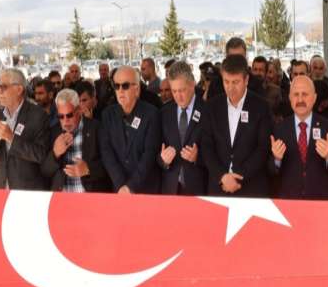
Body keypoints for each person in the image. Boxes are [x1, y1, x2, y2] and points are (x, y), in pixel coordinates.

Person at [201, 54, 272, 197]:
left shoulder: (261, 107)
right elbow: (207, 146)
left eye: (235, 82)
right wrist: (222, 176)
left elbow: (263, 148)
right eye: (226, 82)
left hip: (251, 188)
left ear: (246, 80)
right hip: (219, 187)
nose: (230, 88)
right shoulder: (212, 107)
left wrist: (237, 176)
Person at [269, 75, 328, 200]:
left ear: (314, 98)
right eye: (296, 94)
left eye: (305, 94)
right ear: (289, 98)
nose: (300, 99)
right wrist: (276, 159)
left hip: (319, 201)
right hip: (288, 201)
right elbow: (270, 169)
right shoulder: (279, 128)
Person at [100, 65, 161, 194]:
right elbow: (106, 152)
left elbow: (149, 154)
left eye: (125, 86)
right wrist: (121, 184)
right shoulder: (107, 115)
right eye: (116, 86)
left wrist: (130, 186)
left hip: (146, 189)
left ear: (137, 89)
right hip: (119, 189)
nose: (120, 90)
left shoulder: (151, 114)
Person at [0, 68, 50, 190]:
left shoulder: (38, 115)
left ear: (19, 89)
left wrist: (11, 138)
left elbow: (41, 155)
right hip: (3, 187)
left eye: (3, 87)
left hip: (28, 190)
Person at [41, 89, 110, 193]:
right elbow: (45, 171)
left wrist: (88, 169)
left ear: (79, 110)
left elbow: (110, 165)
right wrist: (55, 154)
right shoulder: (54, 132)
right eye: (61, 116)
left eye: (69, 115)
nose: (65, 121)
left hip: (89, 197)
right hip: (63, 198)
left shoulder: (96, 128)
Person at [158, 61, 207, 196]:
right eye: (174, 91)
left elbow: (218, 153)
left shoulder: (207, 111)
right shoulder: (164, 113)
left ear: (192, 84)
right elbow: (155, 152)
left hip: (198, 189)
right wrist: (163, 160)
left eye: (182, 90)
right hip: (170, 190)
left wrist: (197, 157)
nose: (178, 96)